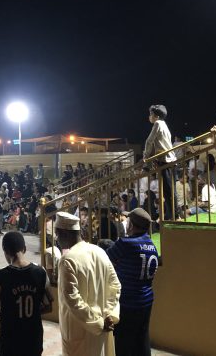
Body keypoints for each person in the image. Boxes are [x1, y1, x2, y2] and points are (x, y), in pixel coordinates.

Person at [55, 211, 121, 356]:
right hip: (102, 327)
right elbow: (115, 286)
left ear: (64, 234)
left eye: (57, 235)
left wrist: (97, 323)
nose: (57, 239)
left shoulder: (68, 260)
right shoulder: (99, 251)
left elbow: (72, 300)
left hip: (79, 331)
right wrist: (109, 315)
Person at [0, 231, 53, 356]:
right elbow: (48, 307)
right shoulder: (40, 272)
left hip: (10, 342)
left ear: (5, 251)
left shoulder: (2, 275)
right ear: (25, 249)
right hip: (33, 340)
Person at [107, 208, 159, 356]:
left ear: (131, 225)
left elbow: (105, 259)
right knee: (142, 339)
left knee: (123, 343)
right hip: (146, 300)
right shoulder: (152, 245)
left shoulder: (125, 243)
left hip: (127, 302)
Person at [143, 105, 177, 220]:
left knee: (168, 190)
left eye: (151, 114)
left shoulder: (157, 124)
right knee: (170, 190)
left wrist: (146, 157)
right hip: (171, 159)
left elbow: (149, 141)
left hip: (165, 160)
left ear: (156, 116)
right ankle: (173, 214)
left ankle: (173, 215)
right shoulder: (164, 124)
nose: (149, 116)